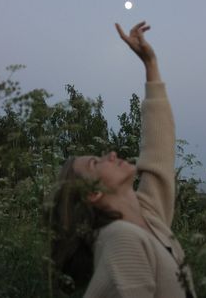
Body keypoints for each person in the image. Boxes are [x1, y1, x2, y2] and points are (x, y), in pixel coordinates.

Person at [49, 22, 197, 297]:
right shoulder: (121, 239)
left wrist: (150, 63)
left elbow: (159, 149)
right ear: (93, 193)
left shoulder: (148, 215)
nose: (112, 154)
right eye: (96, 162)